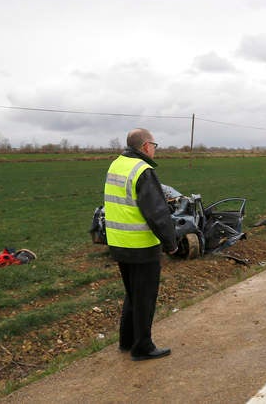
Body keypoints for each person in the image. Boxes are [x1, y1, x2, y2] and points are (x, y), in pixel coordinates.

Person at [104, 128, 178, 361]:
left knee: (132, 293)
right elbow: (157, 212)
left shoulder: (116, 164)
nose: (155, 150)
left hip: (118, 243)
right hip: (141, 245)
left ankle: (127, 341)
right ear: (146, 146)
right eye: (154, 145)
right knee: (145, 297)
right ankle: (142, 347)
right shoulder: (143, 170)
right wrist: (170, 242)